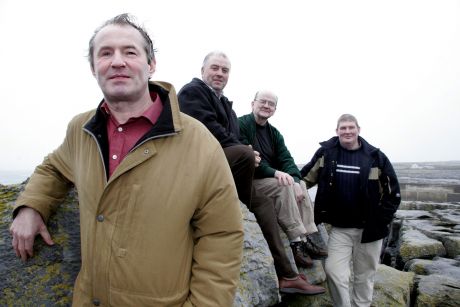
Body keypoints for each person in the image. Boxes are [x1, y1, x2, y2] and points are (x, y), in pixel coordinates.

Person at [9, 14, 244, 306]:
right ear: (93, 68)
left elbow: (222, 235)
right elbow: (54, 167)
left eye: (130, 52)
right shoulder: (80, 130)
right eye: (105, 53)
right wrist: (32, 205)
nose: (117, 61)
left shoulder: (199, 142)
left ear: (151, 64)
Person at [301, 114, 401, 306]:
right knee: (334, 272)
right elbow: (305, 178)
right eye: (343, 128)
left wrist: (380, 220)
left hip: (370, 230)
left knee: (364, 277)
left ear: (358, 130)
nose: (347, 131)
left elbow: (393, 194)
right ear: (337, 131)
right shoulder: (326, 153)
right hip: (340, 229)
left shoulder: (376, 157)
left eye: (351, 127)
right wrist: (290, 185)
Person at [238, 90, 326, 295]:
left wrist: (296, 179)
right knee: (283, 184)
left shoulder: (274, 133)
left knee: (299, 185)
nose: (267, 106)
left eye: (271, 104)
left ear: (275, 109)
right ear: (253, 103)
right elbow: (248, 159)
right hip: (250, 180)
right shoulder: (241, 124)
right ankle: (296, 243)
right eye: (263, 102)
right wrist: (277, 173)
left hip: (269, 178)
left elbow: (287, 159)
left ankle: (306, 238)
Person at [178, 51, 259, 206]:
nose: (220, 74)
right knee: (245, 155)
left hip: (217, 159)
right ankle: (235, 205)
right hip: (195, 160)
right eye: (214, 68)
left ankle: (296, 231)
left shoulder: (226, 105)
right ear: (203, 71)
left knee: (263, 200)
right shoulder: (193, 91)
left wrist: (248, 148)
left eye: (225, 70)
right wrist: (245, 150)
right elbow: (209, 128)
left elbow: (236, 135)